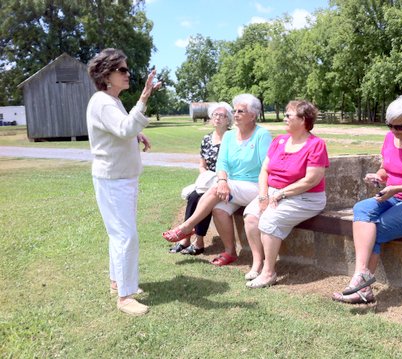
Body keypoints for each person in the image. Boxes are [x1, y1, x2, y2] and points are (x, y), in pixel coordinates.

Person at [332, 95, 402, 304]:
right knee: (362, 208)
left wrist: (397, 188)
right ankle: (362, 279)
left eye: (399, 127)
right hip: (395, 196)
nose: (393, 131)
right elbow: (387, 168)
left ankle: (361, 285)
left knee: (378, 229)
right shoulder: (389, 138)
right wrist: (379, 176)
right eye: (389, 125)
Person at [86, 48, 161, 316]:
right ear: (106, 75)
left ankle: (117, 282)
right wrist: (144, 96)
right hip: (113, 181)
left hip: (121, 179)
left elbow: (121, 129)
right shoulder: (103, 102)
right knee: (125, 236)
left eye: (127, 69)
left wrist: (136, 137)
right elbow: (125, 127)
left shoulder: (111, 101)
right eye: (122, 70)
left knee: (118, 234)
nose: (128, 74)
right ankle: (124, 297)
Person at [163, 94, 272, 266]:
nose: (235, 114)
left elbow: (266, 167)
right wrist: (222, 181)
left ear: (253, 115)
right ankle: (230, 252)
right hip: (232, 186)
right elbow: (222, 163)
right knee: (219, 209)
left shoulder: (261, 135)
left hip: (254, 186)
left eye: (240, 111)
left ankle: (185, 228)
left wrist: (224, 184)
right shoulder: (229, 137)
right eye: (234, 110)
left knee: (214, 190)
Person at [243, 100, 329, 288]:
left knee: (268, 221)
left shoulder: (316, 145)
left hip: (305, 197)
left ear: (303, 120)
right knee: (251, 217)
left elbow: (311, 180)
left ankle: (269, 272)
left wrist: (281, 194)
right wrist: (264, 195)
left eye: (288, 115)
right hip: (273, 192)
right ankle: (257, 263)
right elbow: (264, 171)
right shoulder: (278, 141)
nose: (284, 118)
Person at [168, 102, 233, 255]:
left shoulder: (232, 138)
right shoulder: (206, 139)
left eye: (222, 115)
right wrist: (204, 176)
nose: (218, 118)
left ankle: (198, 241)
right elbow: (202, 164)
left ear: (228, 119)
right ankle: (186, 239)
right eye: (215, 115)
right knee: (193, 196)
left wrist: (219, 179)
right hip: (208, 179)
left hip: (224, 179)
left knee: (202, 197)